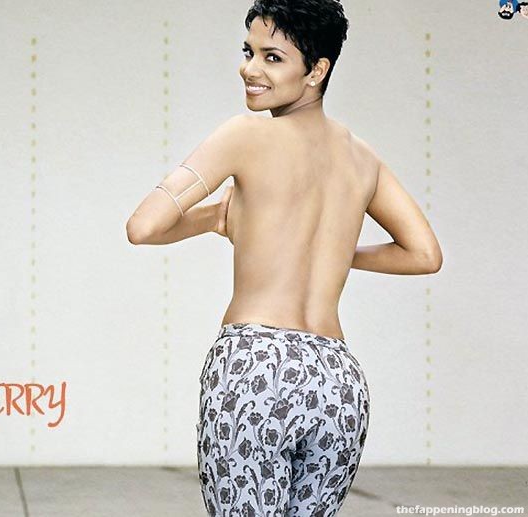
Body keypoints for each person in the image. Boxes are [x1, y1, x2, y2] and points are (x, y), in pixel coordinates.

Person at [126, 0, 443, 514]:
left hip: (253, 371)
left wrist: (215, 216)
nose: (249, 69)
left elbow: (143, 226)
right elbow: (424, 255)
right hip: (338, 381)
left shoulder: (244, 135)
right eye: (248, 51)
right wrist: (333, 252)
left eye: (272, 57)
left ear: (317, 70)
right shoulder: (363, 158)